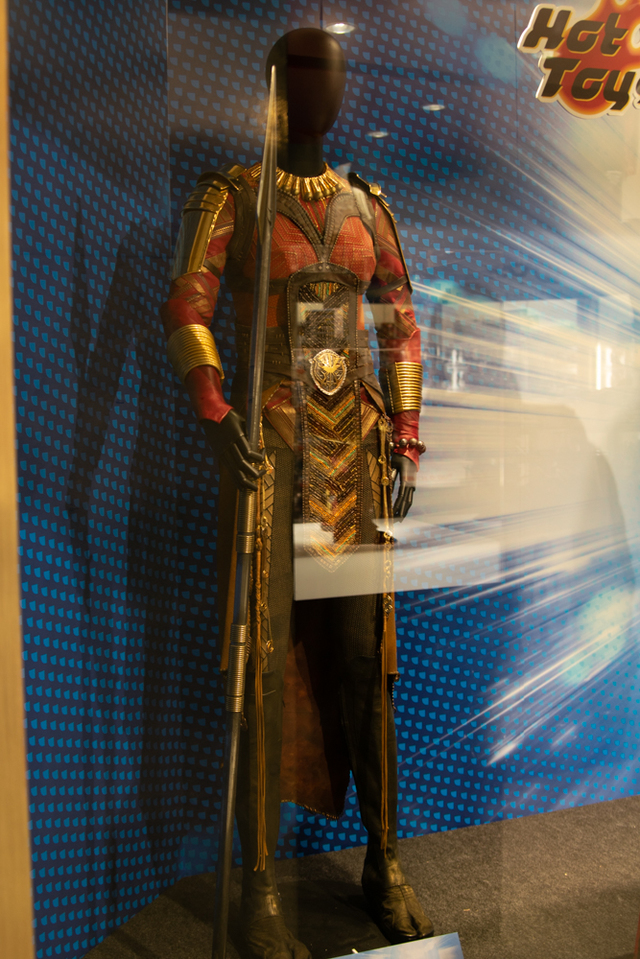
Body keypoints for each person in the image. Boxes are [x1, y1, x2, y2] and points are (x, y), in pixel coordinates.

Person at [161, 27, 432, 959]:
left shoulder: (367, 204)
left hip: (352, 451)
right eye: (309, 74)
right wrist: (214, 406)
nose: (327, 90)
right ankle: (263, 885)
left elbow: (401, 321)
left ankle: (384, 862)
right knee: (264, 663)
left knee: (365, 663)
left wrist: (406, 434)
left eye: (335, 74)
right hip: (271, 448)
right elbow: (188, 303)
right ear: (276, 88)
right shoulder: (235, 195)